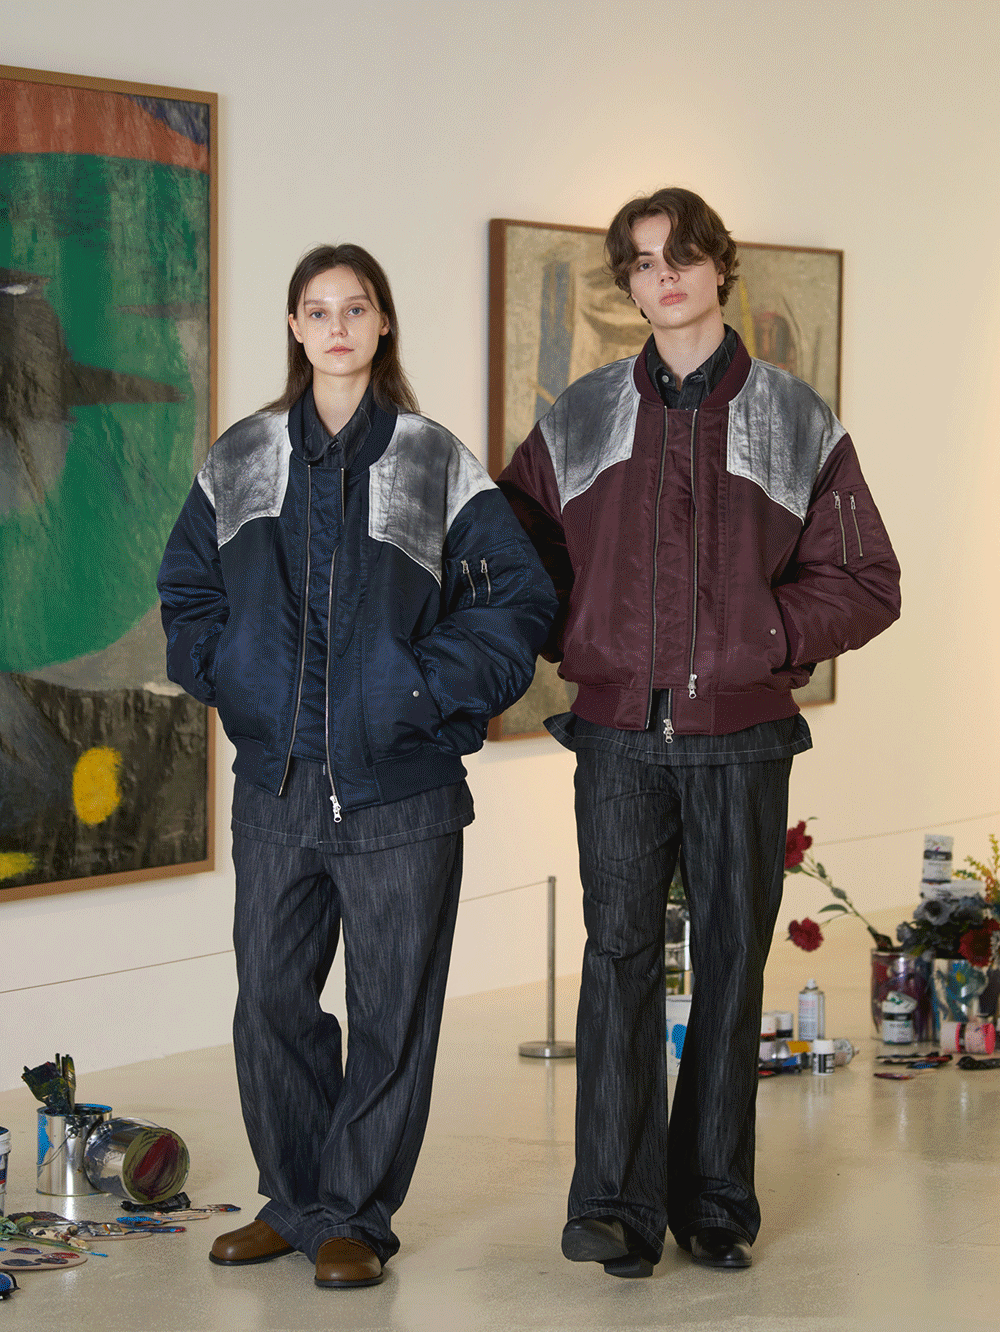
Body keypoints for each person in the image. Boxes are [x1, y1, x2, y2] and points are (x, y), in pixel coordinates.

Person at [498, 188, 900, 1276]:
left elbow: (867, 579)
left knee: (729, 961)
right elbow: (512, 547)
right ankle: (614, 1206)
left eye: (680, 255)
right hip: (617, 736)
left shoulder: (796, 418)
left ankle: (715, 1200)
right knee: (617, 957)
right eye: (640, 263)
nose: (662, 275)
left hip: (741, 735)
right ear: (627, 287)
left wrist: (762, 636)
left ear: (719, 266)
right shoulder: (582, 415)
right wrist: (580, 633)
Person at [158, 244, 556, 1289]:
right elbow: (188, 591)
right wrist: (236, 679)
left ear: (383, 325)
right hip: (277, 788)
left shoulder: (435, 460)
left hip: (401, 794)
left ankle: (354, 1216)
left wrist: (416, 690)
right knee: (270, 1003)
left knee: (390, 1014)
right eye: (317, 310)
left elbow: (516, 600)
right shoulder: (243, 455)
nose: (337, 327)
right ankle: (294, 1203)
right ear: (294, 328)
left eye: (356, 308)